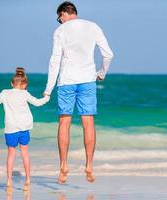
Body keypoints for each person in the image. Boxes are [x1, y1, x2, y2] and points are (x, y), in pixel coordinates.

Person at [43, 1, 113, 184]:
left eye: (59, 18)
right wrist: (102, 73)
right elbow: (108, 55)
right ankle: (89, 165)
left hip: (66, 81)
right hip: (88, 79)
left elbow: (54, 61)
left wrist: (48, 89)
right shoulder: (93, 26)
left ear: (64, 14)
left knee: (64, 122)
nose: (59, 22)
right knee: (88, 122)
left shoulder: (60, 31)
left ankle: (64, 165)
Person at [0, 67, 50, 193]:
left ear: (11, 83)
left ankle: (9, 180)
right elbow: (37, 103)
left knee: (11, 154)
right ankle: (27, 180)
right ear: (25, 84)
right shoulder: (25, 93)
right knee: (25, 153)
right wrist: (47, 97)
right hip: (24, 128)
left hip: (10, 129)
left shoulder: (5, 93)